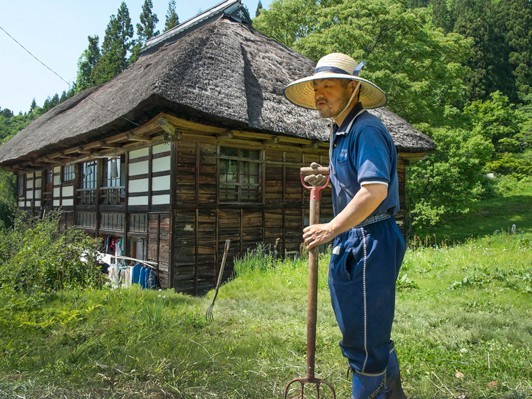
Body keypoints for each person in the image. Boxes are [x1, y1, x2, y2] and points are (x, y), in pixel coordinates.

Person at [284, 53, 407, 399]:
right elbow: (358, 178)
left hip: (370, 239)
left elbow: (374, 190)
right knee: (363, 329)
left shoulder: (366, 129)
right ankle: (392, 392)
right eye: (317, 87)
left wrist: (330, 228)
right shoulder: (341, 130)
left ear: (352, 88)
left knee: (364, 341)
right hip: (354, 239)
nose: (320, 93)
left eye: (328, 85)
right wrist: (330, 174)